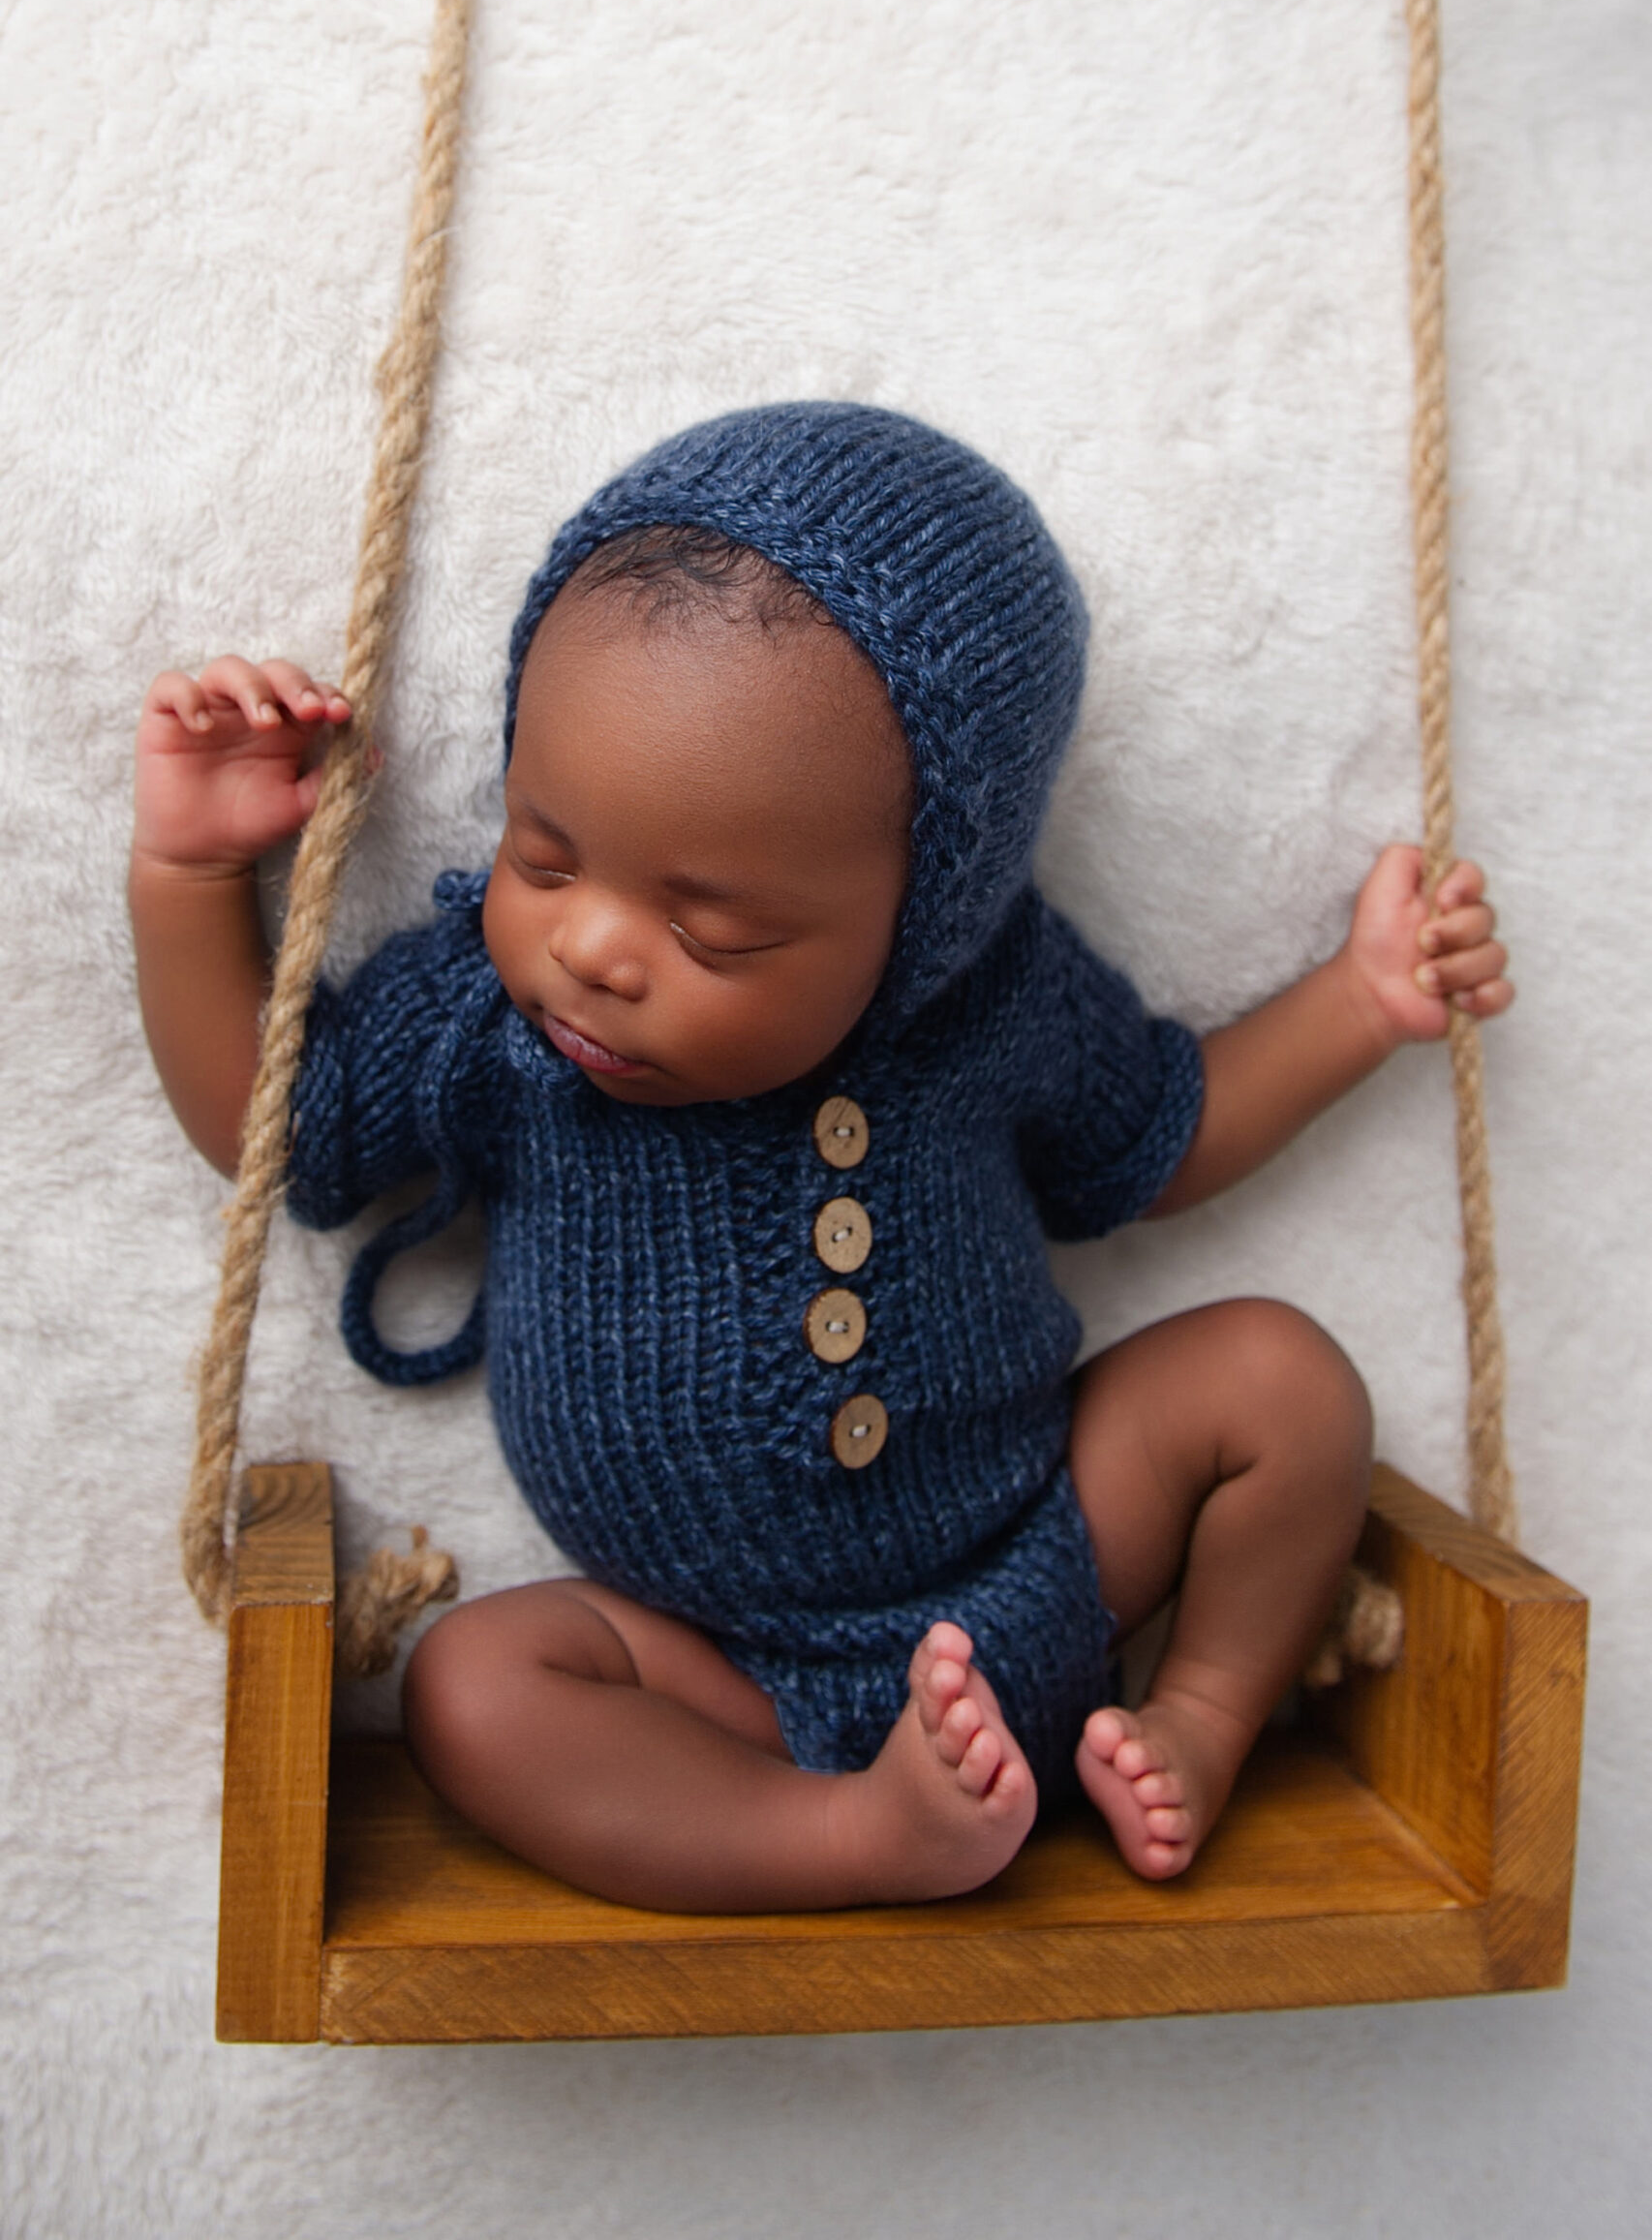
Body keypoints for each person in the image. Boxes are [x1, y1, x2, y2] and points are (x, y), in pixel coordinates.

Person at [130, 404, 1512, 1914]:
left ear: (927, 910)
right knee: (477, 1684)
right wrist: (192, 876)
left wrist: (1358, 1003)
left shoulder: (988, 1006)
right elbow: (285, 1127)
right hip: (716, 1675)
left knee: (1278, 1380)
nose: (588, 947)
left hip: (1042, 1561)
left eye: (712, 929)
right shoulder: (485, 1010)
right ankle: (851, 1834)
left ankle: (1190, 1717)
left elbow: (1157, 1137)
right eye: (543, 854)